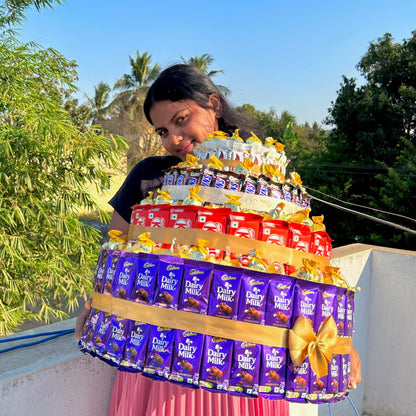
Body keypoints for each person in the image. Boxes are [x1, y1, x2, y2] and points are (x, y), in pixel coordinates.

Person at [75, 64, 361, 415]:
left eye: (182, 120)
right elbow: (115, 257)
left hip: (245, 367)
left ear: (213, 105)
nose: (174, 139)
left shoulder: (264, 181)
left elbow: (306, 274)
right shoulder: (150, 177)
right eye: (163, 130)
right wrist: (95, 306)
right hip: (158, 359)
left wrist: (342, 344)